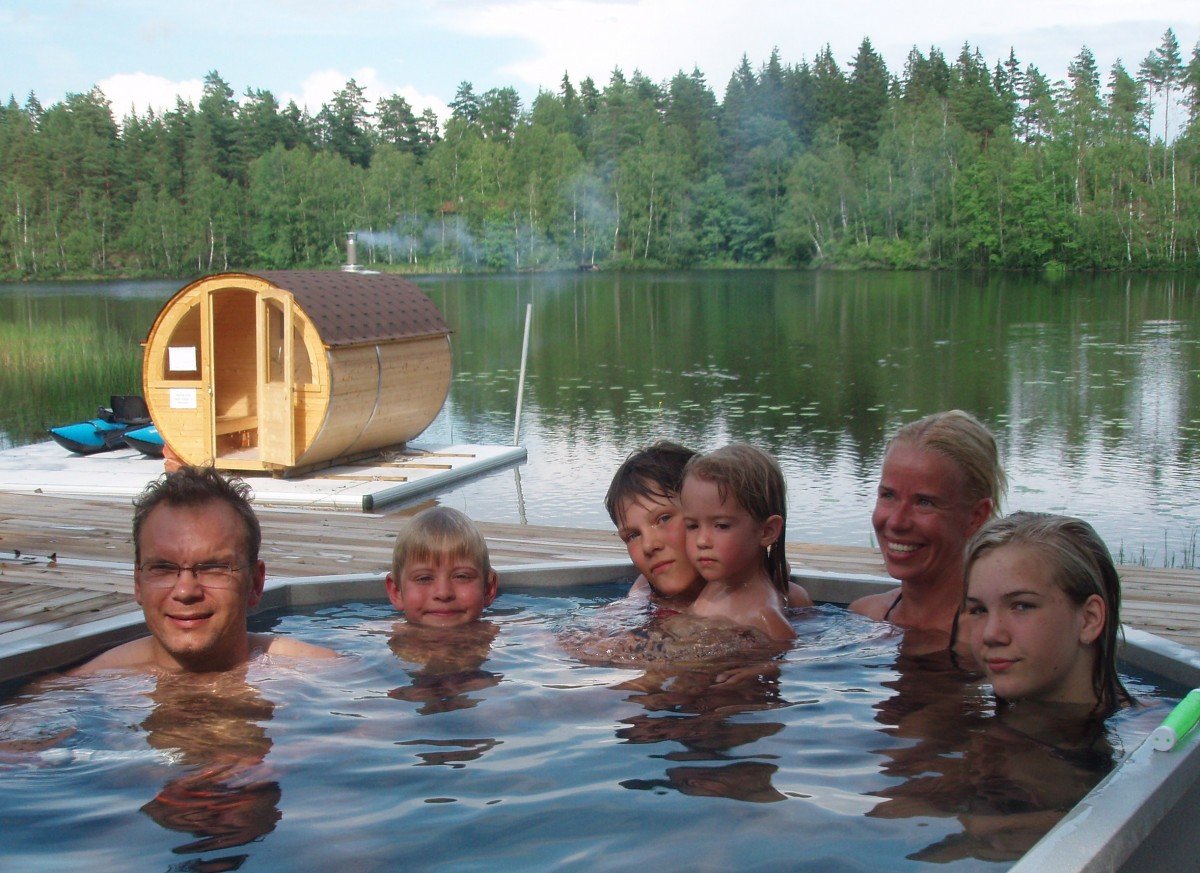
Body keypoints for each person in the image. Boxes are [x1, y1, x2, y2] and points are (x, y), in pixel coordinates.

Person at [72, 466, 336, 675]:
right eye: (162, 568)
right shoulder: (86, 690)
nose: (185, 591)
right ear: (138, 583)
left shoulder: (323, 676)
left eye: (213, 568)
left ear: (255, 583)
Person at [605, 441, 809, 612]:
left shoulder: (780, 602)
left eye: (664, 518)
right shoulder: (639, 601)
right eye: (632, 535)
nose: (649, 545)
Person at [851, 409, 1005, 636]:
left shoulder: (991, 640)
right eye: (889, 496)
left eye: (924, 502)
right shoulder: (864, 616)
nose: (896, 522)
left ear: (976, 516)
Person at [959, 511, 1132, 712]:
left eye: (1022, 606)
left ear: (1088, 619)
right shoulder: (953, 713)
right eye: (979, 610)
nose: (990, 634)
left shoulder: (1152, 736)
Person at [680, 443, 810, 641]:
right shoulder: (720, 583)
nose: (702, 541)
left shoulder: (762, 612)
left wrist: (762, 667)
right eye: (692, 526)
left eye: (721, 526)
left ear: (767, 531)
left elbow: (791, 657)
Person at [384, 506, 499, 627]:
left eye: (462, 576)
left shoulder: (505, 636)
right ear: (396, 592)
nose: (443, 593)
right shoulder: (378, 634)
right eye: (424, 578)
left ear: (488, 589)